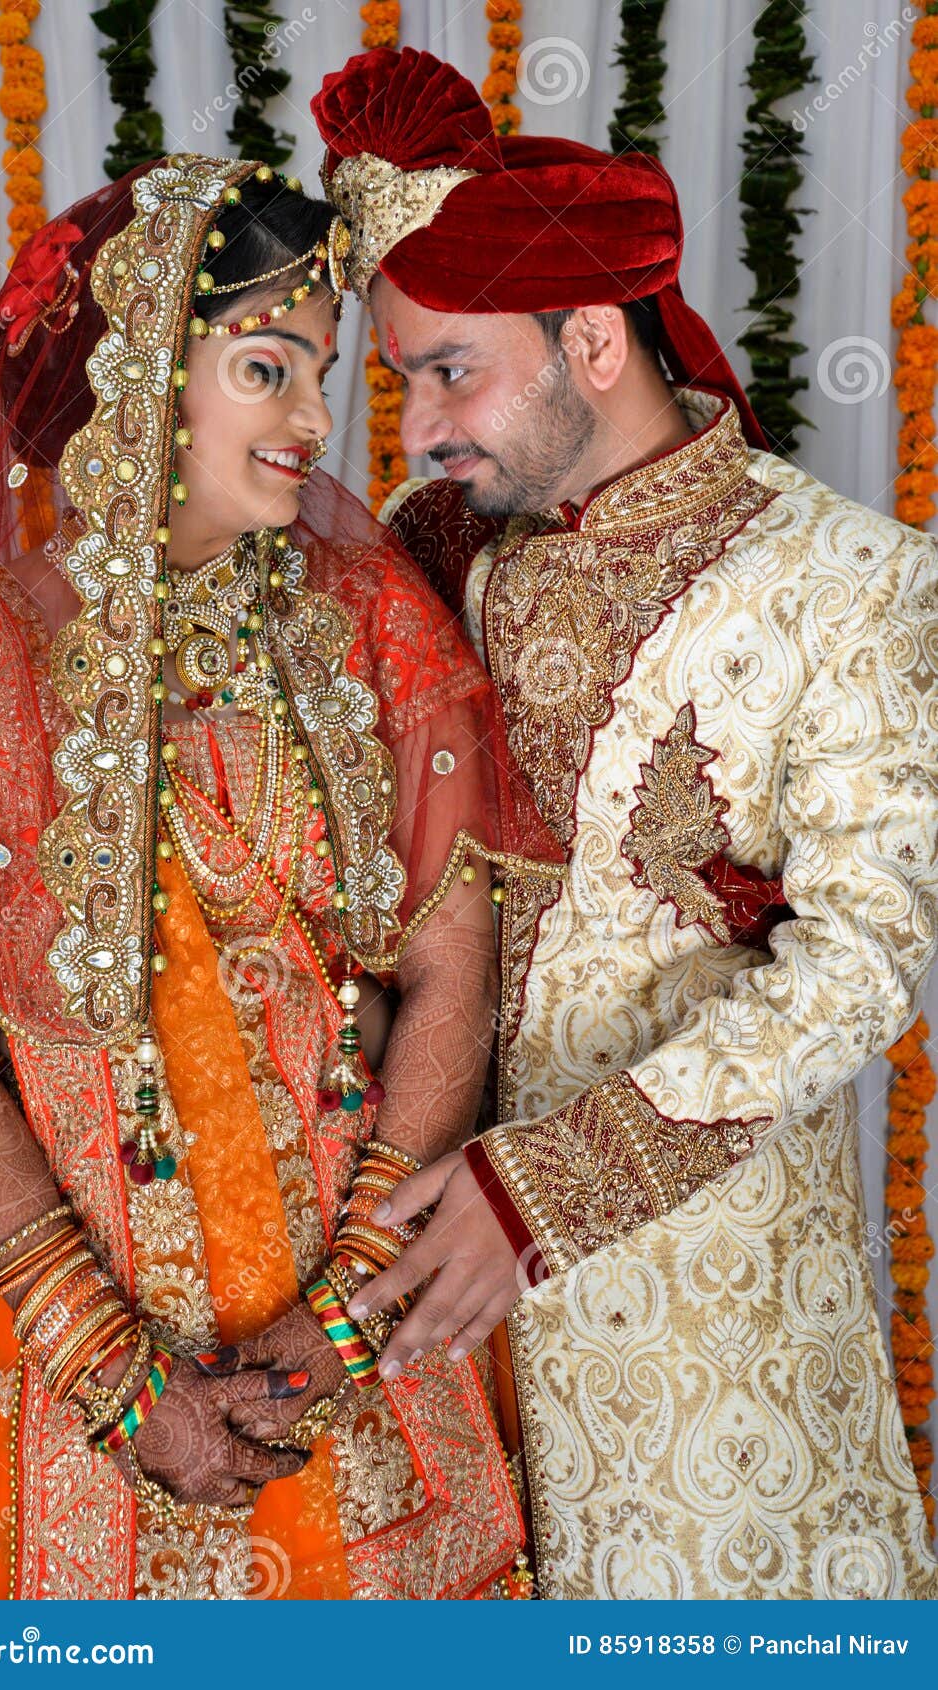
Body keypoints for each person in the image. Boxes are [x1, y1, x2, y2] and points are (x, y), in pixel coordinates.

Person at [0, 151, 557, 1600]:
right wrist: (123, 1382)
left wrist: (353, 1312)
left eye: (323, 372)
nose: (318, 422)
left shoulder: (373, 619)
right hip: (71, 1353)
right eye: (268, 368)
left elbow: (452, 975)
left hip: (347, 1323)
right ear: (139, 381)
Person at [302, 48, 938, 1599]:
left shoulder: (851, 580)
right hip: (426, 1330)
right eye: (399, 382)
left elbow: (870, 960)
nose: (418, 429)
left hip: (708, 1337)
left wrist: (555, 1190)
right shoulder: (441, 554)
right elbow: (180, 667)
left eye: (451, 369)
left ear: (590, 336)